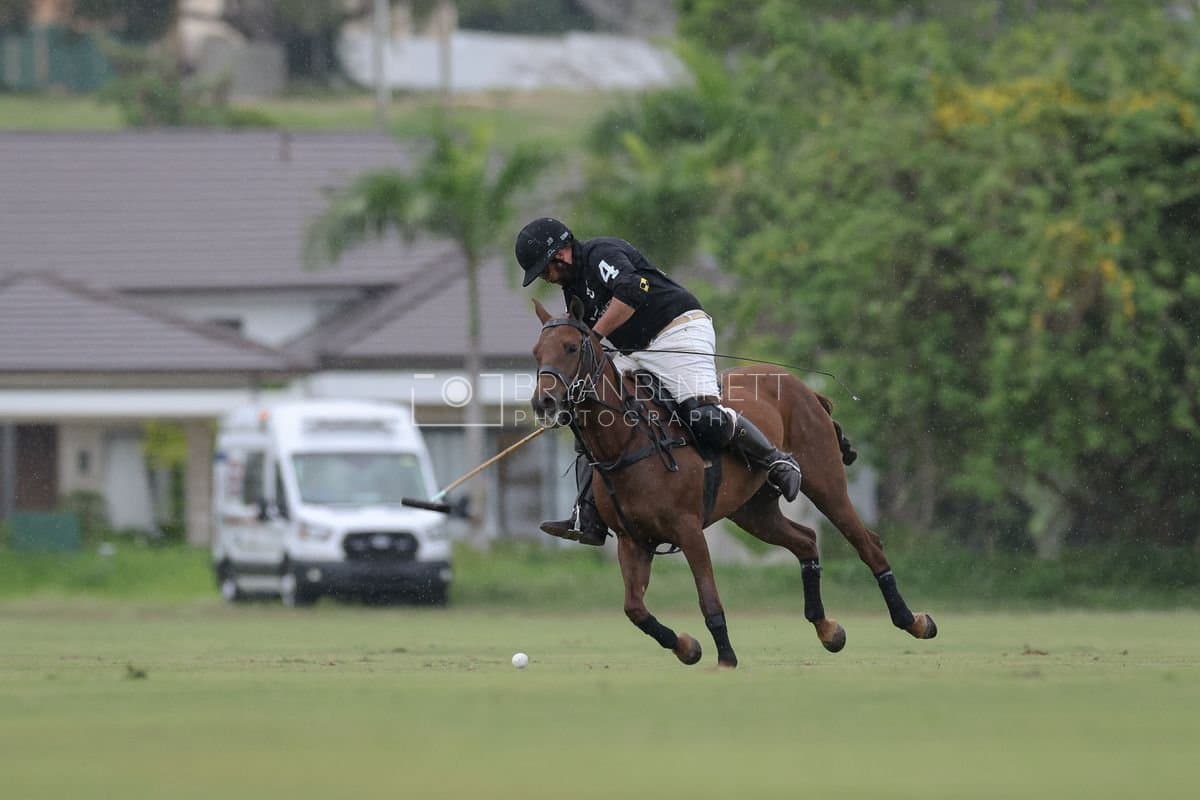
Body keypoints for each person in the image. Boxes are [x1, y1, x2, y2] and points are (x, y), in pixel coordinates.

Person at [515, 217, 803, 546]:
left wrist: (595, 336)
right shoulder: (572, 288)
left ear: (560, 254)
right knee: (588, 411)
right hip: (635, 350)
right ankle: (588, 514)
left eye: (544, 270)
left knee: (703, 416)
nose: (545, 278)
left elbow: (633, 291)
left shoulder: (601, 255)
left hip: (677, 329)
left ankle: (775, 459)